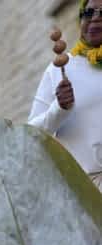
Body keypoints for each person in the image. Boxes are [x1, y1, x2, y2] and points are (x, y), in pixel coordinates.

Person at [29, 0, 102, 191]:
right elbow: (31, 134)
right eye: (88, 13)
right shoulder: (60, 69)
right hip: (82, 192)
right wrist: (59, 108)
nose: (95, 19)